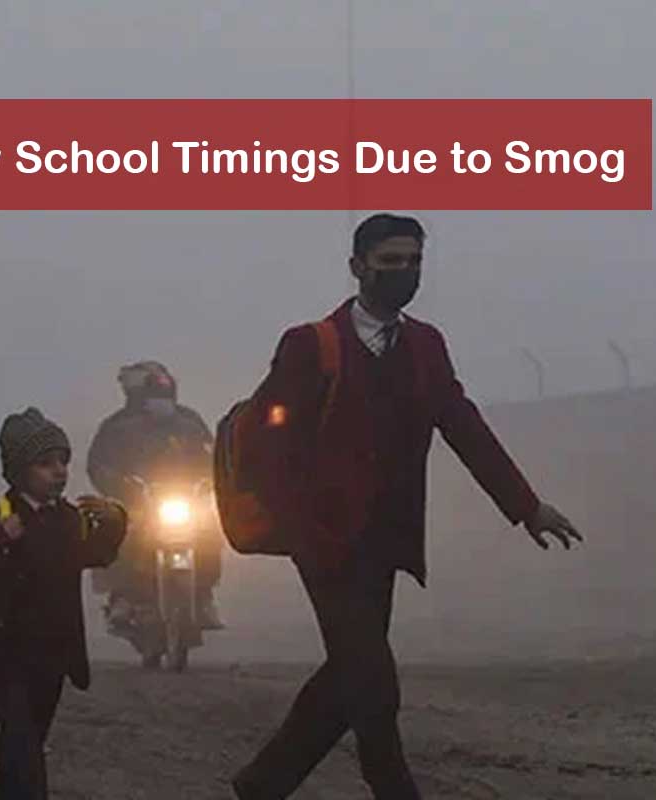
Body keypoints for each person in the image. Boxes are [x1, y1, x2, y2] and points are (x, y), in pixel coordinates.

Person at [231, 214, 583, 799]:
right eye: (391, 261)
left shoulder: (425, 346)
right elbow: (271, 452)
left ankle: (262, 784)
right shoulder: (311, 346)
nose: (404, 273)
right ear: (357, 267)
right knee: (373, 684)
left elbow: (462, 425)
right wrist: (303, 533)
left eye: (414, 262)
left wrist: (526, 506)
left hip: (386, 542)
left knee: (350, 674)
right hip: (324, 543)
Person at [0, 408, 127, 799]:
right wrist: (0, 542)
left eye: (63, 461)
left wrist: (116, 520)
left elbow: (99, 555)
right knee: (26, 751)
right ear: (18, 470)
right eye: (45, 463)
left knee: (18, 756)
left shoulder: (69, 520)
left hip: (52, 659)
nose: (59, 471)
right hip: (1, 657)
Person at [87, 360, 224, 630]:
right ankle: (124, 597)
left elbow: (213, 456)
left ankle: (204, 595)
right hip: (139, 503)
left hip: (186, 501)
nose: (160, 401)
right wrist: (121, 487)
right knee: (123, 534)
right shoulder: (117, 427)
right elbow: (98, 465)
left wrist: (212, 481)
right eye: (154, 395)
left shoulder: (191, 423)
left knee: (210, 534)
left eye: (165, 394)